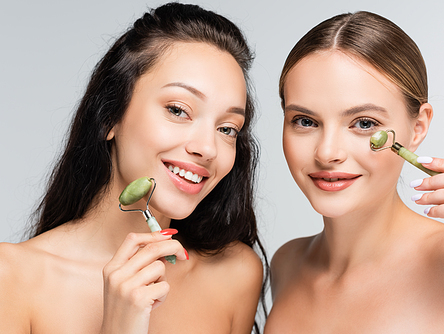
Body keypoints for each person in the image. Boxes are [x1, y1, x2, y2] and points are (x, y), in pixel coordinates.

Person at [0, 3, 267, 333]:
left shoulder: (236, 274)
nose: (208, 148)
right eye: (178, 110)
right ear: (110, 116)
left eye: (227, 128)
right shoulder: (12, 278)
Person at [265, 11, 444, 333]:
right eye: (305, 121)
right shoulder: (287, 264)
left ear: (417, 128)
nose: (327, 152)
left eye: (364, 124)